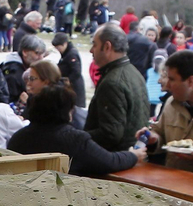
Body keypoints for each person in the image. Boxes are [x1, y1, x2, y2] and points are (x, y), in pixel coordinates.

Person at [9, 84, 143, 176]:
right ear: (67, 112)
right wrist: (133, 155)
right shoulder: (74, 140)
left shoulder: (17, 139)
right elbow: (111, 161)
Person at [86, 23, 150, 153]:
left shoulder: (112, 82)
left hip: (116, 160)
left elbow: (110, 134)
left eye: (95, 45)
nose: (91, 50)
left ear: (107, 46)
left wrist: (78, 136)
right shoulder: (134, 73)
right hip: (129, 157)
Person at [51, 33, 86, 107]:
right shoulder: (65, 53)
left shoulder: (71, 54)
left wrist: (69, 80)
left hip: (74, 86)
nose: (57, 50)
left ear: (65, 44)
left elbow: (76, 71)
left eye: (58, 47)